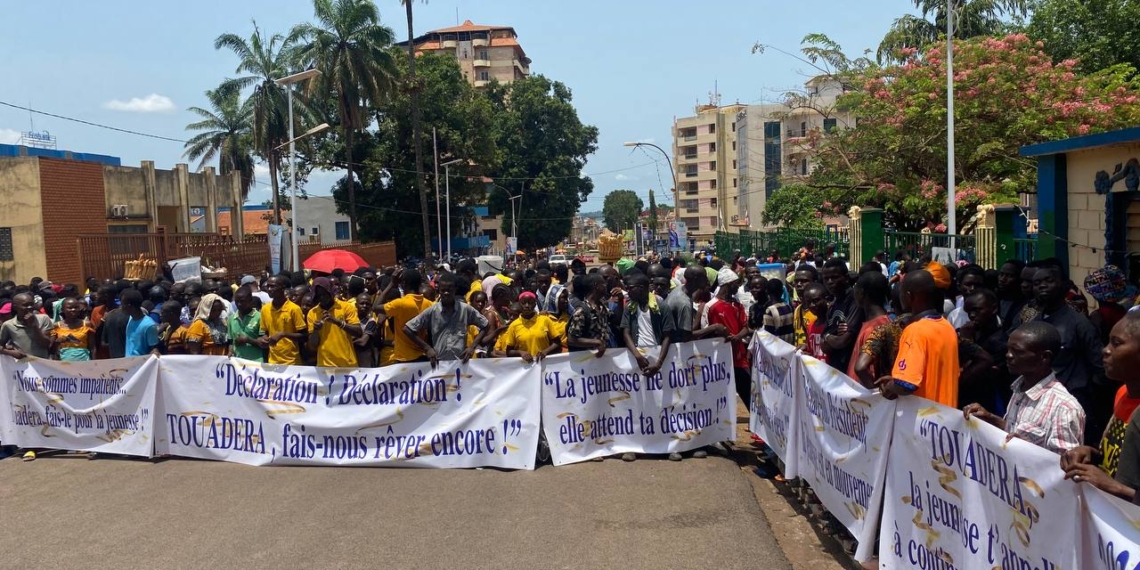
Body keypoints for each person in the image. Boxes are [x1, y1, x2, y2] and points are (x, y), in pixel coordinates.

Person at [1020, 263, 1107, 446]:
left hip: (1073, 400)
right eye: (1037, 283)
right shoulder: (1033, 322)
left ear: (1064, 285)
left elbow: (1099, 367)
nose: (1042, 286)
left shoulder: (1080, 324)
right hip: (1040, 403)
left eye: (1048, 281)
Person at [964, 322, 1085, 454]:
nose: (1008, 355)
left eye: (1017, 351)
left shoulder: (1064, 408)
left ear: (1044, 357)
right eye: (1008, 350)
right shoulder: (1019, 389)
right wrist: (990, 418)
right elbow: (1013, 431)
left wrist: (1027, 449)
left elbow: (1064, 463)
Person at [1061, 312, 1140, 501]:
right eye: (1108, 342)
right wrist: (1092, 454)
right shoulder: (1123, 393)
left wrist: (1116, 488)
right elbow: (1120, 456)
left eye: (1117, 343)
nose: (1105, 350)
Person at [876, 270, 961, 408]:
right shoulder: (948, 327)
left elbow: (906, 384)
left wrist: (890, 386)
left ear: (909, 296)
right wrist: (895, 380)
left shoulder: (915, 331)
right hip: (945, 415)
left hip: (923, 417)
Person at [404, 272, 488, 369]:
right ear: (438, 290)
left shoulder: (465, 309)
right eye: (443, 290)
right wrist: (427, 348)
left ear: (455, 289)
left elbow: (486, 325)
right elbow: (407, 329)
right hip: (439, 364)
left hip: (461, 364)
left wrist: (472, 347)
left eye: (449, 290)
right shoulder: (432, 311)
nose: (446, 293)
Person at [707, 266, 753, 410]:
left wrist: (737, 337)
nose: (738, 287)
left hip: (738, 357)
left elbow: (746, 327)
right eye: (735, 284)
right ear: (727, 284)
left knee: (747, 391)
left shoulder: (737, 305)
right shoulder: (711, 306)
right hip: (718, 358)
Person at [958, 289, 1012, 410]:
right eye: (968, 312)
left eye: (977, 310)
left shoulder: (1000, 342)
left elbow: (968, 375)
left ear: (994, 308)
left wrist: (966, 341)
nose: (972, 315)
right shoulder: (974, 333)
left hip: (988, 404)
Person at [620, 272, 675, 376]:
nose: (628, 292)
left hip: (658, 355)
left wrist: (658, 364)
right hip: (637, 357)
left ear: (641, 288)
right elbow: (626, 333)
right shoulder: (629, 307)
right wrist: (637, 356)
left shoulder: (662, 307)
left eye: (630, 288)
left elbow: (667, 336)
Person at [375, 269, 432, 364]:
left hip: (404, 358)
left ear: (403, 283)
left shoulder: (400, 304)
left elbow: (375, 307)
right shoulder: (429, 304)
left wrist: (392, 284)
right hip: (423, 357)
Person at [307, 277, 362, 367]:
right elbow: (312, 346)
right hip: (324, 366)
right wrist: (315, 331)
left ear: (331, 292)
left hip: (347, 365)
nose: (322, 298)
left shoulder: (346, 307)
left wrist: (337, 322)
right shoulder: (312, 313)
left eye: (325, 294)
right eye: (318, 296)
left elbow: (358, 332)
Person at [850, 272, 893, 387]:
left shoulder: (875, 328)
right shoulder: (874, 323)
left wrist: (873, 393)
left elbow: (865, 369)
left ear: (861, 293)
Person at [821, 258, 864, 373]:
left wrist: (828, 336)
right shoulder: (833, 305)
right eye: (826, 279)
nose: (830, 282)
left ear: (846, 277)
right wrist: (829, 336)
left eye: (834, 277)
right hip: (835, 369)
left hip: (850, 370)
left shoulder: (855, 301)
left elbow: (843, 341)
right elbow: (823, 346)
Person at [257, 276, 307, 365]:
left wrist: (283, 334)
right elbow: (266, 332)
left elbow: (304, 336)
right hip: (273, 361)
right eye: (268, 286)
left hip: (292, 362)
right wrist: (263, 339)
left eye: (273, 286)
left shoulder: (294, 309)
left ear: (283, 288)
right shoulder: (265, 309)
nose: (269, 289)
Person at [498, 291, 560, 363]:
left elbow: (557, 342)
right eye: (523, 303)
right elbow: (509, 351)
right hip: (525, 366)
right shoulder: (514, 325)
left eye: (530, 303)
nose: (527, 305)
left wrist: (545, 351)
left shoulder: (545, 320)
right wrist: (521, 352)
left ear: (535, 304)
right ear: (519, 304)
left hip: (544, 363)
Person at [567, 273, 611, 356]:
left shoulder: (602, 307)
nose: (606, 285)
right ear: (596, 286)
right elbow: (571, 339)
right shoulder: (582, 311)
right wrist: (596, 342)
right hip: (587, 359)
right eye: (603, 283)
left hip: (604, 357)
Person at [0, 293, 54, 359]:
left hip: (42, 362)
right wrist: (11, 353)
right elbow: (1, 346)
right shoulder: (8, 325)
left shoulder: (43, 319)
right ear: (15, 307)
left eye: (31, 304)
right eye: (25, 305)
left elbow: (46, 344)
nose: (29, 307)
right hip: (22, 363)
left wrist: (34, 325)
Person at [52, 297, 95, 361]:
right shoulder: (56, 326)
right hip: (64, 362)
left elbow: (92, 347)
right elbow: (52, 348)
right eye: (70, 308)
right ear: (62, 309)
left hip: (84, 361)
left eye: (76, 307)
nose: (73, 310)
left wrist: (94, 363)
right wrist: (57, 342)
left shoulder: (86, 325)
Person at [120, 289, 160, 357]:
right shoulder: (130, 319)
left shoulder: (149, 325)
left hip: (141, 363)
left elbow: (153, 348)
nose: (121, 307)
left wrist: (155, 352)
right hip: (128, 362)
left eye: (122, 304)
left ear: (129, 305)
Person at [228, 286, 263, 362]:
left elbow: (263, 343)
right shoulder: (231, 319)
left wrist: (248, 340)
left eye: (242, 301)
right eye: (237, 301)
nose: (239, 304)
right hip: (238, 363)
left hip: (256, 362)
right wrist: (230, 351)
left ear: (250, 300)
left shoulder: (259, 317)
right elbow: (231, 341)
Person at [760, 278, 795, 345]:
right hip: (789, 346)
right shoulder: (788, 307)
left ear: (767, 291)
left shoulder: (769, 311)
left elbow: (768, 334)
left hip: (777, 347)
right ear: (782, 291)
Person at [791, 266, 820, 346]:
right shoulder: (798, 309)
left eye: (804, 281)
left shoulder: (820, 310)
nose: (799, 284)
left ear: (815, 282)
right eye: (796, 281)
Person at [354, 293, 379, 368]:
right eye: (362, 303)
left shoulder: (371, 322)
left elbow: (363, 342)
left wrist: (346, 343)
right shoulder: (350, 320)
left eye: (367, 304)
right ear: (356, 305)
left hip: (364, 362)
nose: (365, 306)